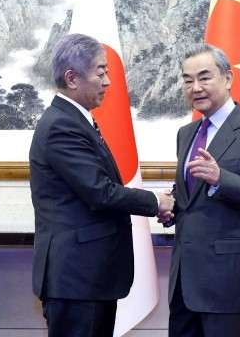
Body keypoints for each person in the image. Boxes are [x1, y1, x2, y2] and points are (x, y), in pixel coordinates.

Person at [29, 33, 174, 337]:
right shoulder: (61, 125)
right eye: (100, 72)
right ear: (72, 78)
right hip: (77, 280)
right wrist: (156, 201)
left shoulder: (76, 120)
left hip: (90, 278)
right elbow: (101, 192)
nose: (108, 81)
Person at [158, 43, 240, 337]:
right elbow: (190, 194)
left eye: (204, 77)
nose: (196, 88)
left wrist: (220, 179)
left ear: (227, 78)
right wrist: (171, 207)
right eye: (188, 80)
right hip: (184, 283)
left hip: (228, 282)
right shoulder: (186, 133)